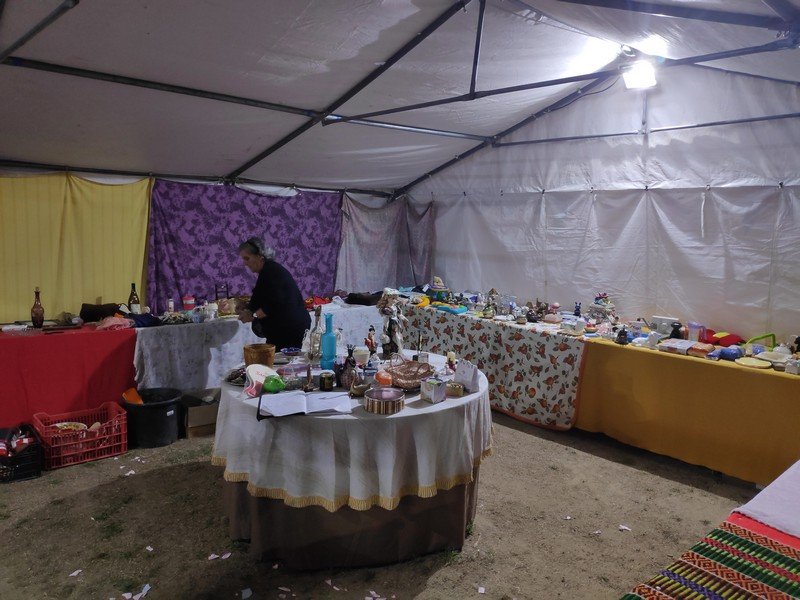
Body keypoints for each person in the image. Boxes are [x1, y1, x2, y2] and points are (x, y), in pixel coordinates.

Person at [237, 237, 310, 349]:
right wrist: (247, 306)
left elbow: (274, 304)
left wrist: (252, 315)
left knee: (278, 358)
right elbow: (266, 298)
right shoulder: (269, 270)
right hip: (288, 327)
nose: (245, 264)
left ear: (260, 257)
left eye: (247, 258)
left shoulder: (270, 272)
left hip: (288, 329)